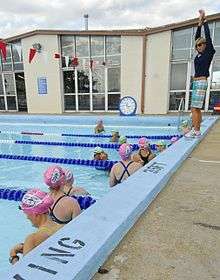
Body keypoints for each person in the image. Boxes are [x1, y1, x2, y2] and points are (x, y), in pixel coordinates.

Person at [9, 189, 62, 265]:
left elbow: (24, 272)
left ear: (35, 214)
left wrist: (13, 255)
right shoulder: (62, 228)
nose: (27, 217)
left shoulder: (32, 239)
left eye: (26, 213)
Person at [185, 9, 215, 138]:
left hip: (201, 81)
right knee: (196, 108)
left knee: (194, 108)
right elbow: (197, 36)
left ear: (205, 45)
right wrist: (199, 21)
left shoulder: (209, 52)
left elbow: (206, 35)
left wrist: (205, 20)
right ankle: (197, 129)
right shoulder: (199, 55)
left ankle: (196, 130)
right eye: (197, 45)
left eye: (201, 44)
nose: (198, 46)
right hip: (196, 82)